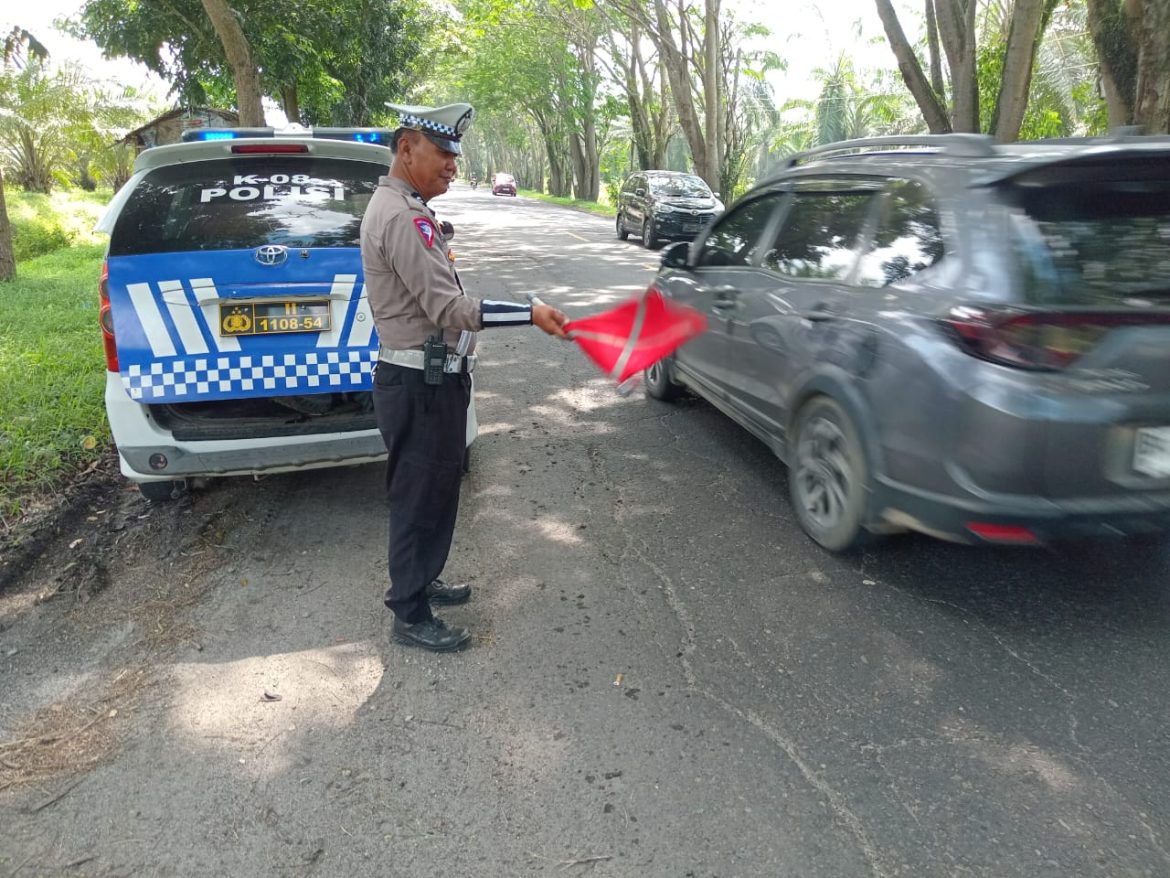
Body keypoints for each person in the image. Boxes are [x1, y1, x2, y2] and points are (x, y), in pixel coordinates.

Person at [360, 101, 569, 652]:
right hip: (419, 386)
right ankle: (408, 613)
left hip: (433, 382)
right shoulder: (401, 216)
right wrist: (529, 312)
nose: (453, 164)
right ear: (407, 149)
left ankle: (423, 580)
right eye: (443, 152)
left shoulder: (408, 208)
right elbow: (448, 307)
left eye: (456, 154)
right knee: (416, 496)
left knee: (436, 490)